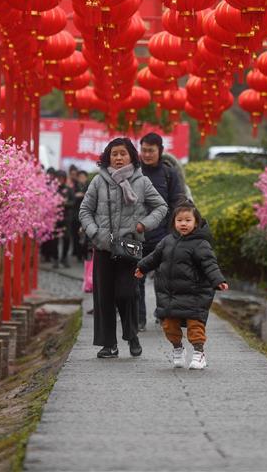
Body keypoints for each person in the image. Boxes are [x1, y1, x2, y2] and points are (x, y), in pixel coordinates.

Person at [79, 138, 168, 358]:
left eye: (123, 154)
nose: (118, 158)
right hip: (103, 248)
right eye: (114, 154)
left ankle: (132, 335)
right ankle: (109, 345)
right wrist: (95, 232)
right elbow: (84, 210)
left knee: (127, 294)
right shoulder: (99, 181)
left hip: (129, 247)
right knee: (104, 298)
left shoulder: (142, 181)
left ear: (131, 156)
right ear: (108, 157)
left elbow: (161, 207)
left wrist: (143, 225)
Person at [135, 201, 228, 370]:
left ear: (196, 223)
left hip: (195, 294)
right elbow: (154, 257)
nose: (183, 224)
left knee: (195, 326)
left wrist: (218, 280)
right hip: (170, 294)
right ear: (174, 222)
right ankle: (178, 348)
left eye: (188, 220)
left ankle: (199, 353)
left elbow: (210, 264)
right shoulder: (166, 241)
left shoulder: (201, 244)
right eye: (179, 220)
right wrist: (142, 267)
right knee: (169, 326)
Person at [137, 132, 185, 330]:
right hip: (137, 236)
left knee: (163, 279)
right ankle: (139, 319)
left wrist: (173, 232)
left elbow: (178, 202)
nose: (147, 154)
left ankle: (162, 314)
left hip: (162, 236)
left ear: (160, 151)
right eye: (144, 150)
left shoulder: (169, 173)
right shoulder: (133, 172)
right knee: (136, 278)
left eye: (151, 151)